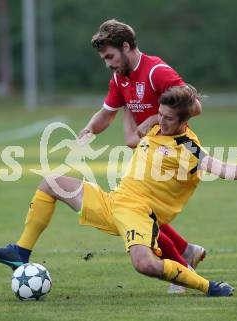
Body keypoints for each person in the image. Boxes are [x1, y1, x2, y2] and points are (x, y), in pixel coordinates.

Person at [0, 85, 237, 297]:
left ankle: (207, 286)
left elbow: (220, 168)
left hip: (140, 214)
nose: (161, 121)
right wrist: (125, 101)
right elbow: (132, 136)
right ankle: (21, 252)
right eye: (160, 115)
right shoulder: (155, 128)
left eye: (168, 118)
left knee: (145, 265)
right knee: (51, 182)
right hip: (114, 202)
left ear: (183, 120)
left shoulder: (187, 146)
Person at [78, 19, 205, 293]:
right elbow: (106, 114)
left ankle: (183, 265)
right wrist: (89, 130)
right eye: (104, 58)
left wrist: (152, 119)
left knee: (135, 210)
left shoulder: (156, 71)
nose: (108, 63)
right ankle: (186, 252)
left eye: (110, 56)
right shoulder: (119, 77)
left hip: (172, 153)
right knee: (138, 211)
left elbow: (195, 107)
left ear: (126, 47)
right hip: (149, 153)